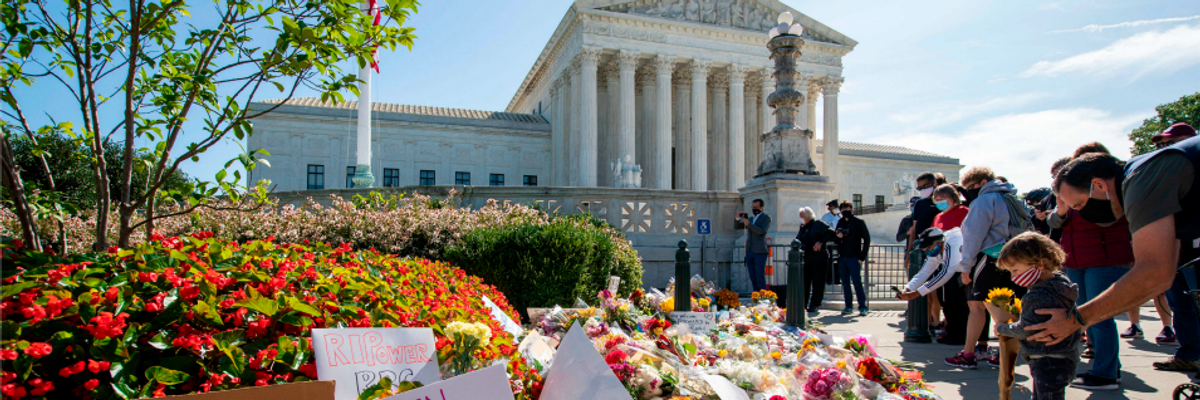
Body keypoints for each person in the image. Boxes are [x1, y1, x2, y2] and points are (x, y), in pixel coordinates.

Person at [1030, 137, 1199, 379]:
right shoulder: (1144, 176)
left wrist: (1075, 320)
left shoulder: (1141, 179)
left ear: (1098, 185)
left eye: (1079, 204)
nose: (1079, 213)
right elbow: (1163, 275)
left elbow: (1153, 273)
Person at [1046, 144, 1132, 390]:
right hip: (1077, 260)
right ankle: (1104, 367)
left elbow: (1109, 220)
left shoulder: (1105, 194)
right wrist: (1062, 211)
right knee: (1086, 316)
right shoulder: (1072, 190)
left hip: (1105, 259)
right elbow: (1055, 222)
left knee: (1099, 316)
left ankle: (1105, 373)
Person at [946, 166, 1025, 369]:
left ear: (981, 183)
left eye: (970, 187)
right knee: (1006, 306)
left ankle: (968, 353)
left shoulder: (984, 200)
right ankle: (1005, 354)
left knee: (976, 306)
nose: (968, 192)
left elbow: (973, 235)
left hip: (989, 256)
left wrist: (966, 266)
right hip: (1014, 258)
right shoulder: (1013, 199)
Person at [994, 232, 1083, 399]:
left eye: (1015, 270)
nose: (1013, 278)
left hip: (1046, 359)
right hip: (1065, 357)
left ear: (1040, 264)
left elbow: (1026, 329)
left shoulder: (1037, 295)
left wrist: (1002, 328)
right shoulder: (1061, 286)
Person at [898, 228, 975, 346]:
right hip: (954, 273)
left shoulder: (952, 243)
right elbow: (926, 270)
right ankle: (952, 332)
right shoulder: (936, 247)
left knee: (958, 304)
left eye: (927, 247)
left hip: (963, 272)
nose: (926, 250)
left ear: (938, 242)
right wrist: (908, 288)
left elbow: (946, 272)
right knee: (947, 303)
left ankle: (961, 336)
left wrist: (918, 293)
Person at [835, 201, 871, 316]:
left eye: (847, 208)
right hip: (843, 257)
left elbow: (867, 239)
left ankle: (862, 307)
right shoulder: (840, 222)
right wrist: (838, 235)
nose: (845, 211)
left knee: (857, 282)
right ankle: (848, 306)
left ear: (852, 209)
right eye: (843, 209)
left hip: (854, 257)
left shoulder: (858, 222)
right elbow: (836, 237)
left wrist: (862, 256)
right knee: (845, 283)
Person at [797, 207, 834, 313]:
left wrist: (820, 242)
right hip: (806, 259)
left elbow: (830, 233)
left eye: (802, 216)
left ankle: (815, 304)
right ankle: (803, 304)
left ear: (808, 216)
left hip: (818, 259)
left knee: (818, 283)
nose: (800, 218)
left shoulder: (818, 224)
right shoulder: (803, 227)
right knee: (805, 283)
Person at [737, 199, 771, 293]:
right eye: (753, 207)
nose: (754, 209)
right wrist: (738, 218)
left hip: (760, 251)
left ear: (761, 207)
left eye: (756, 207)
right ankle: (755, 295)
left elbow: (762, 231)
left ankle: (762, 296)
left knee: (759, 275)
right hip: (750, 251)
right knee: (752, 276)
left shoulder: (766, 218)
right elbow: (737, 227)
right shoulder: (751, 219)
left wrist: (749, 225)